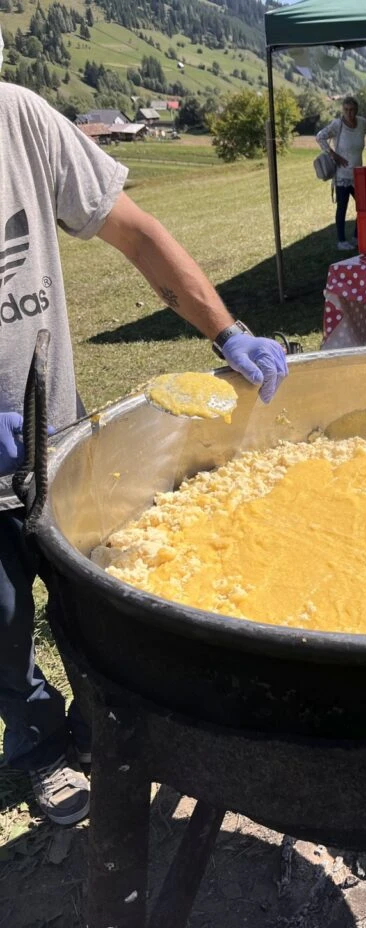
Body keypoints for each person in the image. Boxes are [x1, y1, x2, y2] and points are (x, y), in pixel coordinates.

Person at [0, 54, 288, 826]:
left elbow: (137, 233)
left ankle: (104, 725)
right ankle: (35, 744)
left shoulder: (19, 118)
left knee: (94, 598)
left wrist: (226, 332)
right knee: (0, 619)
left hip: (55, 439)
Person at [315, 97, 366, 251]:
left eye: (352, 109)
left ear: (357, 110)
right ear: (342, 110)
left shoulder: (361, 123)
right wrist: (333, 155)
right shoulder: (337, 125)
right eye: (346, 109)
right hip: (342, 176)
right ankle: (341, 241)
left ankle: (356, 237)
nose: (349, 113)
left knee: (363, 206)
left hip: (358, 175)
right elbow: (320, 136)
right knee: (342, 208)